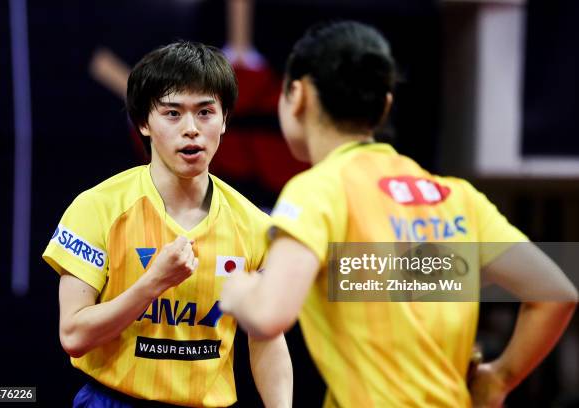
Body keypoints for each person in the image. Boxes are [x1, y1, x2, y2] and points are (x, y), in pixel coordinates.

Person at [219, 21, 578, 407]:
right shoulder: (455, 196)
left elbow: (270, 314)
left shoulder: (318, 190)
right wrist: (500, 377)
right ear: (385, 104)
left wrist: (240, 291)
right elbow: (557, 292)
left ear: (298, 94)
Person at [43, 41, 293, 407]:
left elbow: (267, 340)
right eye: (173, 114)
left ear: (224, 120)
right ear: (144, 122)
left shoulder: (254, 225)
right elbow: (74, 334)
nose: (191, 129)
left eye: (205, 112)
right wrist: (153, 283)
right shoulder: (96, 208)